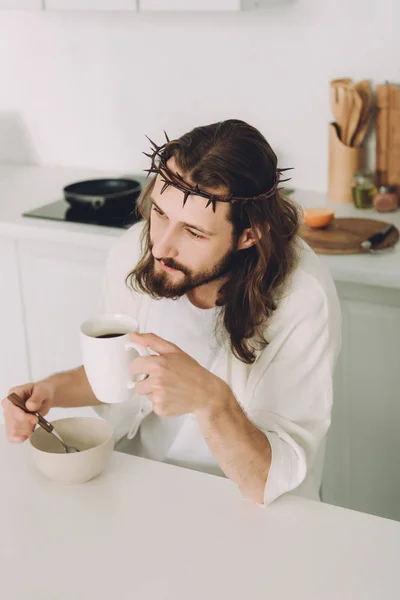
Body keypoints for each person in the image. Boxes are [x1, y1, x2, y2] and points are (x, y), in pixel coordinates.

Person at [2, 119, 341, 506]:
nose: (161, 246)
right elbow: (120, 374)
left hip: (251, 507)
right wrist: (50, 391)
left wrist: (212, 400)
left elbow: (268, 478)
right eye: (160, 213)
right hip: (147, 488)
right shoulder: (137, 249)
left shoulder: (302, 296)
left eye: (194, 233)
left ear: (250, 235)